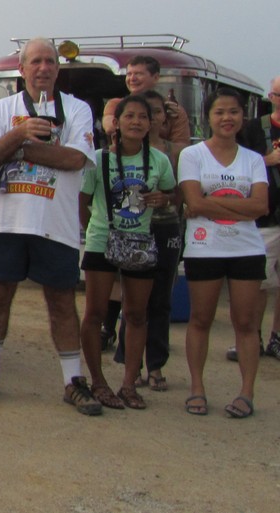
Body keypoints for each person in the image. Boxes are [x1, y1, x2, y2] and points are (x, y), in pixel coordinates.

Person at [0, 38, 102, 415]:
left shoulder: (76, 109)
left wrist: (18, 149)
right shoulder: (2, 109)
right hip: (5, 221)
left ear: (58, 69)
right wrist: (19, 133)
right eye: (35, 61)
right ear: (22, 69)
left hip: (55, 222)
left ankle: (73, 380)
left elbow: (76, 159)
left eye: (50, 61)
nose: (43, 68)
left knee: (61, 301)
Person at [78, 95, 176, 410]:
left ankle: (129, 384)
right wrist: (96, 230)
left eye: (143, 117)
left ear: (151, 123)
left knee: (136, 314)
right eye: (129, 116)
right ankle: (98, 382)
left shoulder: (159, 160)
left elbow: (172, 194)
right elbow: (82, 201)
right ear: (116, 123)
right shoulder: (98, 159)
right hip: (101, 241)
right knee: (95, 313)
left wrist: (164, 199)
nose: (136, 122)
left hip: (139, 242)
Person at [179, 88, 268, 418]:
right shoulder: (192, 155)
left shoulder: (253, 159)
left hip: (247, 249)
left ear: (243, 116)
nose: (227, 118)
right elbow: (193, 201)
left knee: (246, 323)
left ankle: (247, 393)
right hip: (205, 247)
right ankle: (197, 388)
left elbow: (260, 207)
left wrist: (208, 204)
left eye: (233, 112)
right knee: (201, 319)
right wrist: (239, 206)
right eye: (219, 112)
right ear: (208, 117)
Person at [113, 89, 188, 390]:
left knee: (161, 299)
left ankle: (156, 364)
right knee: (132, 302)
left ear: (163, 117)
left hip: (166, 227)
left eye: (155, 112)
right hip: (132, 230)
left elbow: (182, 194)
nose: (149, 119)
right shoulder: (118, 152)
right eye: (142, 113)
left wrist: (166, 198)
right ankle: (129, 363)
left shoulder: (176, 152)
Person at [229, 75, 280, 363]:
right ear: (271, 98)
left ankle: (277, 338)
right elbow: (235, 163)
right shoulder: (253, 129)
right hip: (265, 219)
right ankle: (253, 337)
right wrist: (266, 160)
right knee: (259, 281)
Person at [102, 55, 191, 144]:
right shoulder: (116, 104)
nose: (132, 78)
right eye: (129, 74)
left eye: (138, 74)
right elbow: (109, 127)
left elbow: (181, 145)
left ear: (155, 77)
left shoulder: (173, 110)